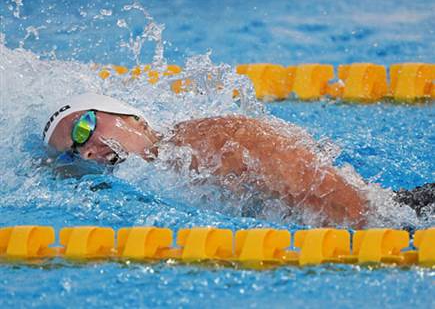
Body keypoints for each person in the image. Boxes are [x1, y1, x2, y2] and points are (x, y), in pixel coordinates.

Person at [43, 93, 433, 227]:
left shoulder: (208, 140)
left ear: (131, 116)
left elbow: (321, 189)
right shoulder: (163, 169)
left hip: (397, 217)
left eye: (83, 128)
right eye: (76, 150)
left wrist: (380, 230)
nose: (89, 149)